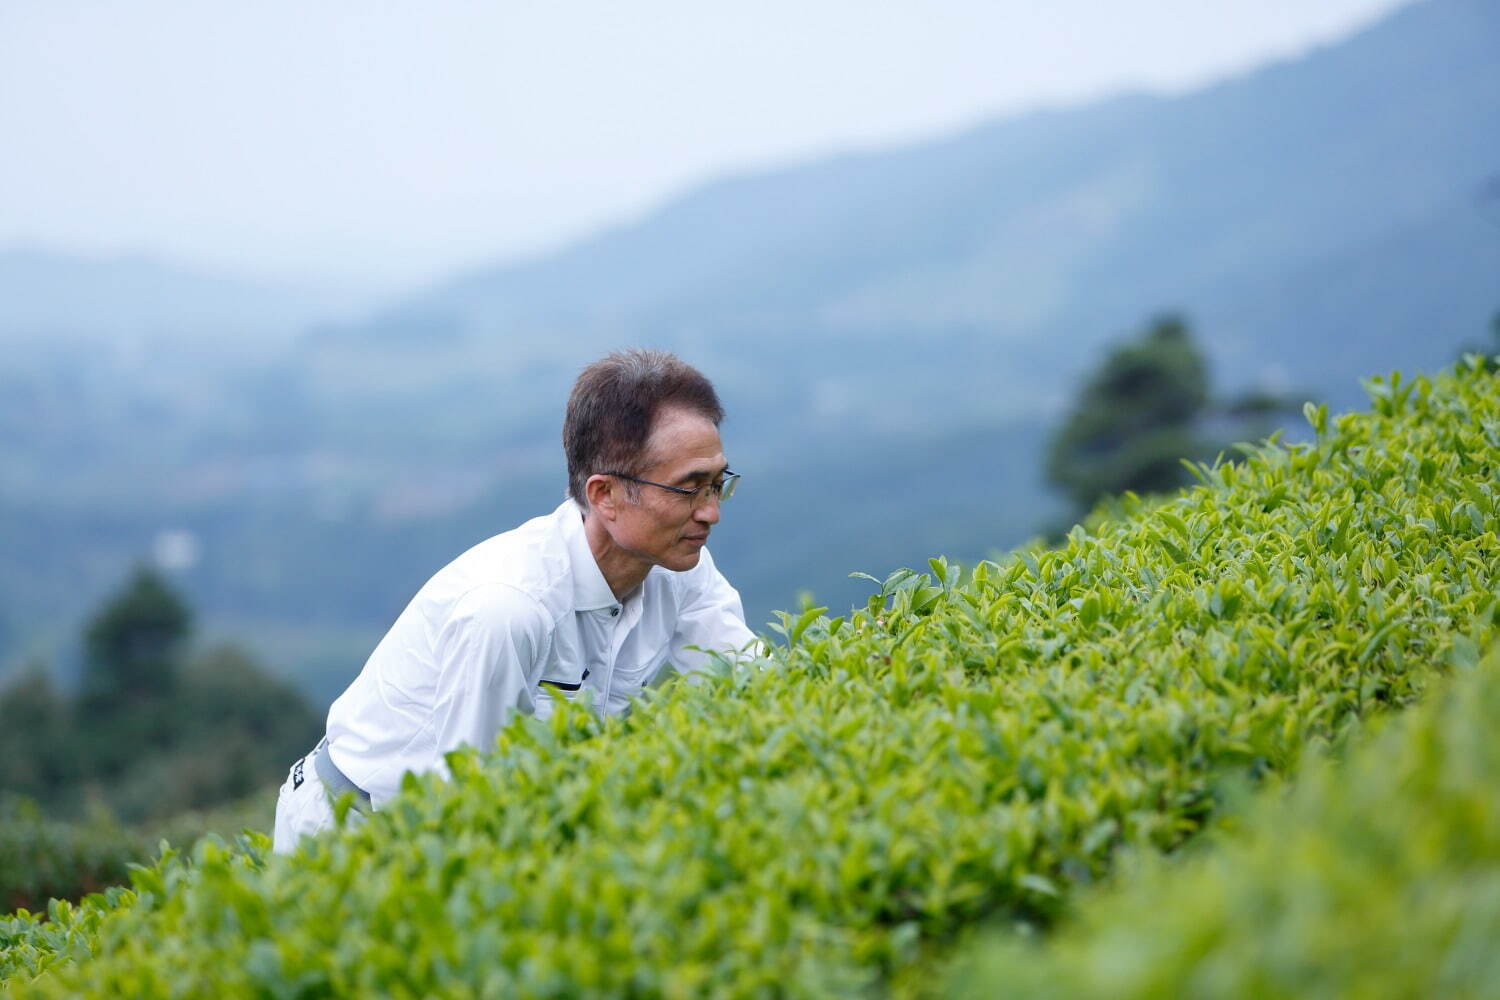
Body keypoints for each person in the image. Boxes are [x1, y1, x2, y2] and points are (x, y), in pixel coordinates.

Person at [273, 349, 755, 853]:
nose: (710, 513)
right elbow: (467, 801)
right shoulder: (508, 610)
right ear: (605, 495)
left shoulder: (680, 565)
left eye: (717, 484)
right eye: (688, 490)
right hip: (352, 826)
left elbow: (750, 681)